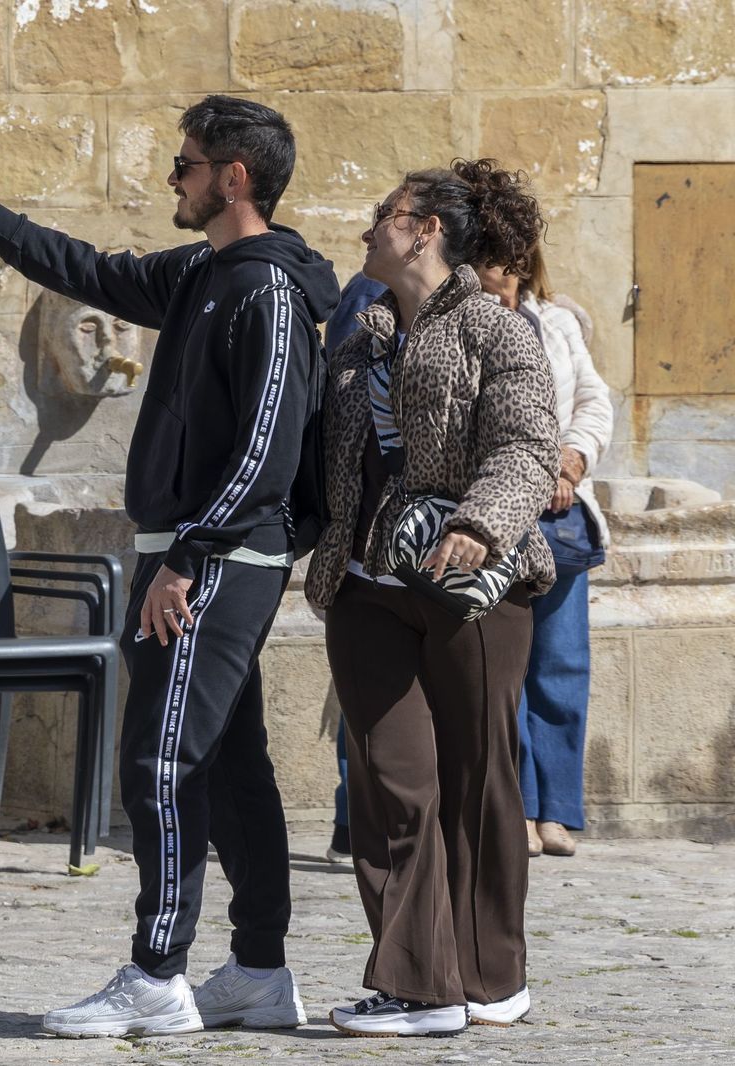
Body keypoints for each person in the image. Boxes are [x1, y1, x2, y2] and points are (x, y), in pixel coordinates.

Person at [0, 95, 339, 1039]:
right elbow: (92, 271)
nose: (172, 178)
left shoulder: (269, 293)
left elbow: (267, 448)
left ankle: (157, 975)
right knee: (229, 764)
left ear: (234, 177)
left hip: (218, 557)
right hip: (190, 552)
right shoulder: (201, 272)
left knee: (159, 761)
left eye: (186, 164)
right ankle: (260, 972)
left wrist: (188, 557)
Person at [304, 159, 560, 1037]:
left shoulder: (496, 329)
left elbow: (527, 445)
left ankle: (491, 976)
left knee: (478, 782)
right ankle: (420, 986)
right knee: (390, 783)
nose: (368, 227)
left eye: (385, 213)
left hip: (473, 593)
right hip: (366, 588)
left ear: (426, 230)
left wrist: (481, 523)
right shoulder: (360, 339)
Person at [474, 246, 612, 859]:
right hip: (495, 517)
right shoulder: (459, 321)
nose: (497, 265)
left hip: (560, 520)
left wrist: (572, 459)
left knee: (561, 667)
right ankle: (520, 809)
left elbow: (593, 401)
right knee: (507, 671)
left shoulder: (557, 322)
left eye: (507, 254)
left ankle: (556, 809)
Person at [320, 272, 387, 864]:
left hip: (434, 547)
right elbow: (342, 420)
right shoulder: (370, 294)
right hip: (371, 542)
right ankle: (356, 821)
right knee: (369, 701)